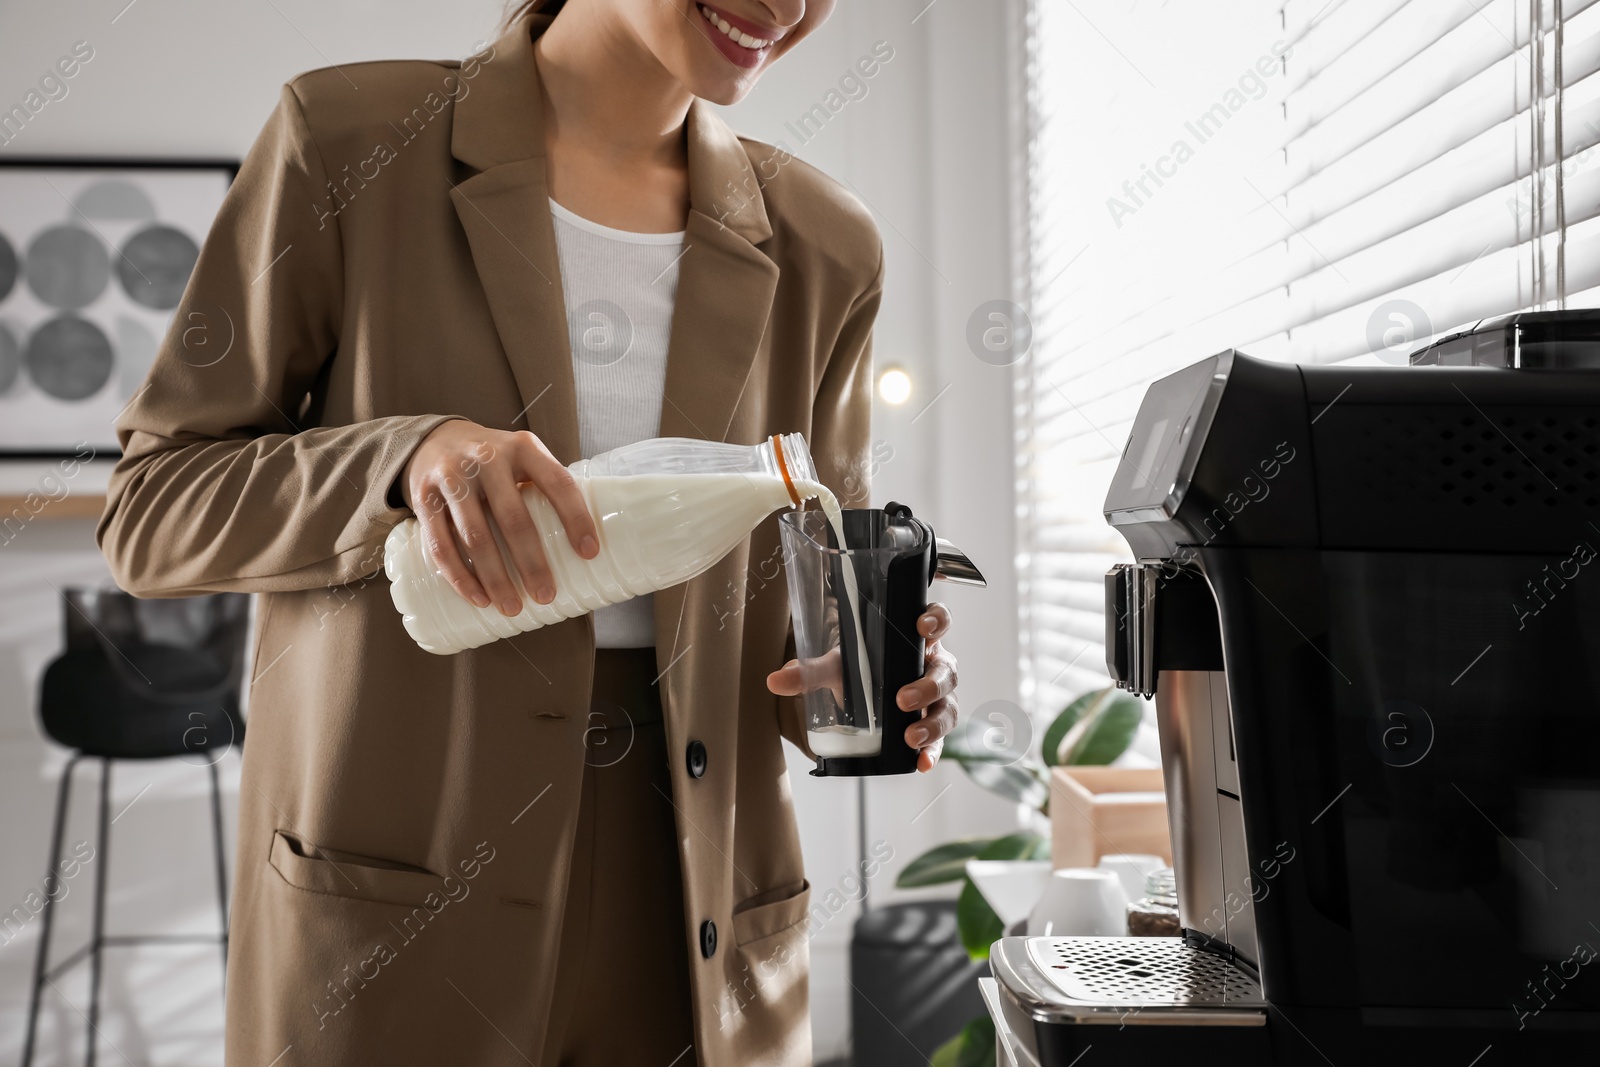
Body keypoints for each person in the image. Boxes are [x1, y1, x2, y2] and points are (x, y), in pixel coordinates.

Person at [97, 1, 962, 1064]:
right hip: (402, 886)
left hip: (695, 913)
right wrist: (398, 462)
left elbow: (807, 613)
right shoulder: (348, 142)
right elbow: (152, 508)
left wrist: (871, 681)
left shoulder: (826, 243)